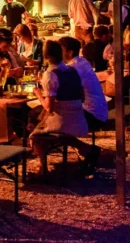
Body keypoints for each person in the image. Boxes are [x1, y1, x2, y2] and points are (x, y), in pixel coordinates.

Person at [30, 40, 100, 169]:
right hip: (78, 117)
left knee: (36, 135)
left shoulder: (50, 74)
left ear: (47, 57)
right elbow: (82, 97)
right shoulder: (72, 70)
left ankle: (43, 168)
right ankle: (86, 149)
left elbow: (49, 108)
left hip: (62, 120)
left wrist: (38, 93)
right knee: (40, 118)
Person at [59, 36, 110, 135]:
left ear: (70, 52)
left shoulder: (73, 67)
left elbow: (62, 90)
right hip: (100, 112)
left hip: (92, 114)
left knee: (54, 112)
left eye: (60, 50)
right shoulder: (82, 61)